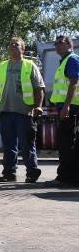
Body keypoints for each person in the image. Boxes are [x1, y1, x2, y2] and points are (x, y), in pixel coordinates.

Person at [0, 37, 45, 183]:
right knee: (8, 145)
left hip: (25, 112)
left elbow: (39, 88)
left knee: (27, 144)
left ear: (23, 49)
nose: (13, 46)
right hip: (5, 111)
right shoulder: (1, 66)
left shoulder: (30, 65)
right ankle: (9, 173)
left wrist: (38, 106)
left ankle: (32, 172)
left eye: (16, 45)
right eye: (11, 44)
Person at [49, 36, 79, 185]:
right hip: (66, 106)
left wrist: (66, 106)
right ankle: (68, 177)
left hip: (71, 107)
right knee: (66, 143)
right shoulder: (65, 61)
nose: (56, 46)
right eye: (55, 43)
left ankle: (65, 178)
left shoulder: (72, 59)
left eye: (59, 43)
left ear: (69, 44)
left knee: (67, 143)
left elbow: (74, 83)